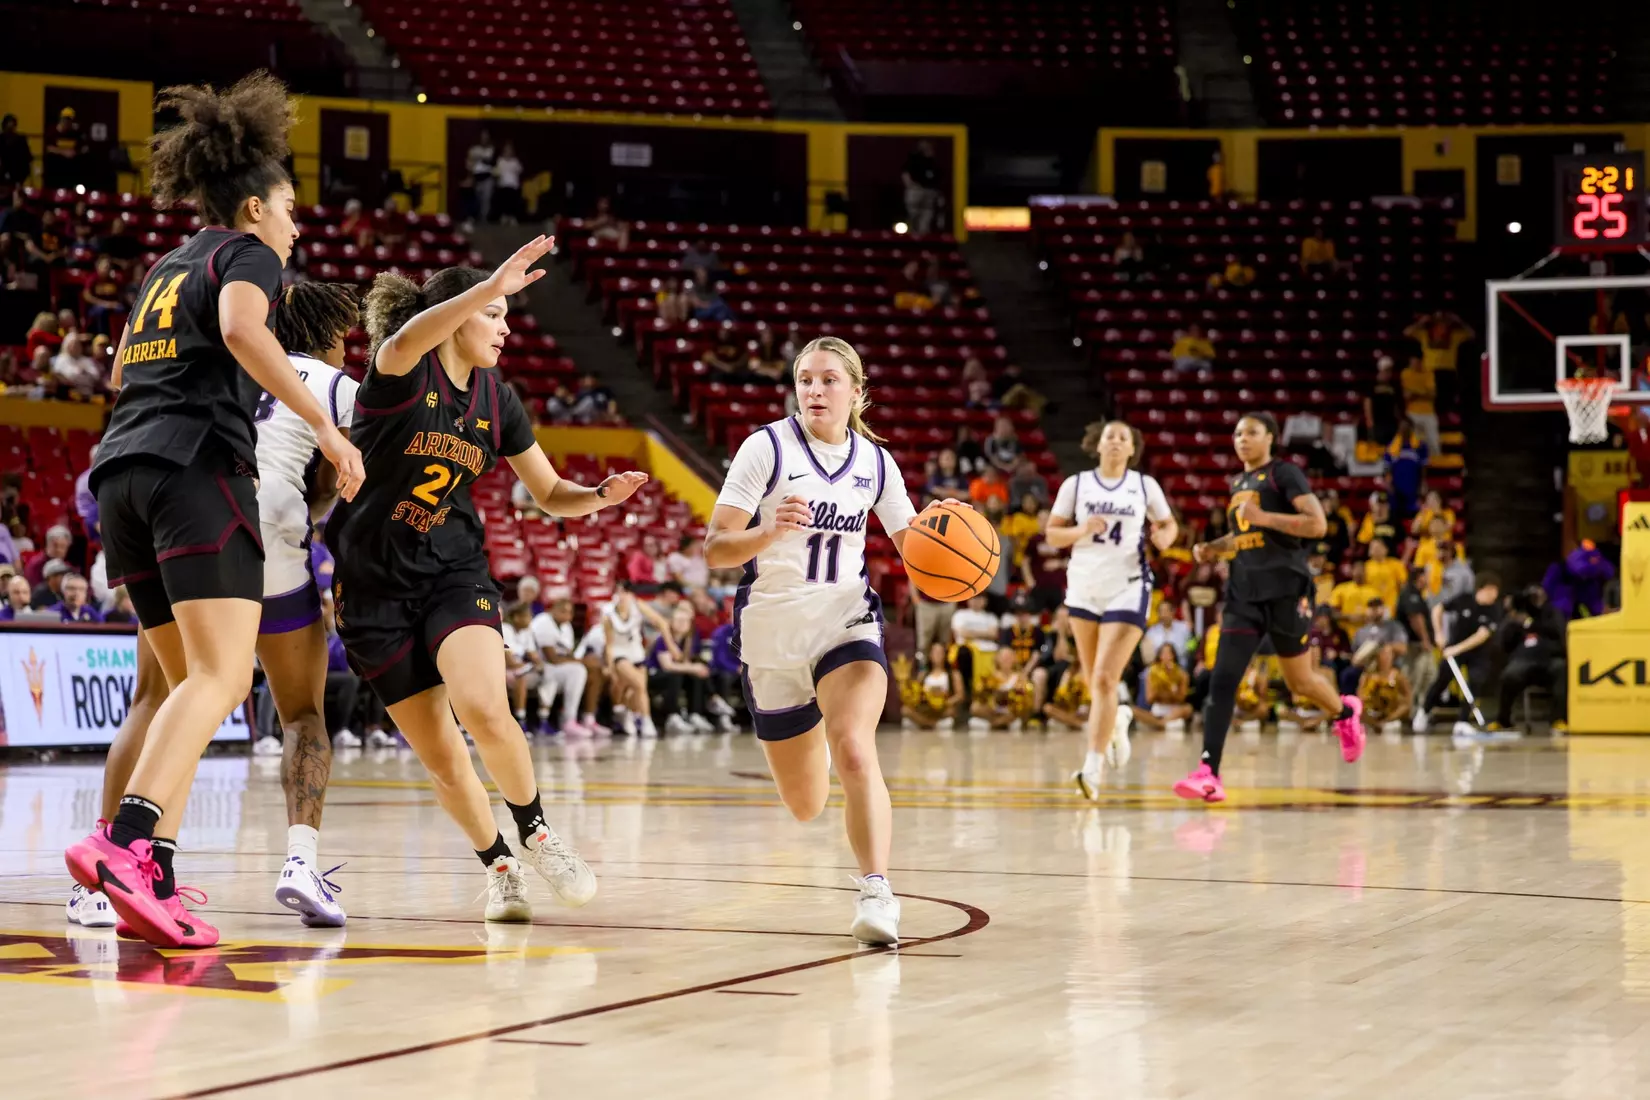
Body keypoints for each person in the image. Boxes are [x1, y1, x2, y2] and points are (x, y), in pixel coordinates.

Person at [64, 72, 366, 951]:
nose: (297, 224)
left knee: (175, 688)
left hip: (120, 473)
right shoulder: (248, 255)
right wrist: (326, 430)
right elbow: (241, 330)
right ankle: (123, 843)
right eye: (290, 208)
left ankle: (148, 865)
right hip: (195, 475)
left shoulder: (165, 265)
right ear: (252, 207)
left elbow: (124, 374)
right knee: (225, 679)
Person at [332, 236, 645, 922]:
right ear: (458, 314)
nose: (505, 327)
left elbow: (550, 490)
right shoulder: (399, 371)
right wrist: (488, 283)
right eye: (495, 313)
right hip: (372, 585)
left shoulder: (498, 399)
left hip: (451, 569)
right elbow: (411, 334)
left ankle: (535, 830)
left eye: (504, 313)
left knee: (482, 705)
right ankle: (499, 867)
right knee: (443, 758)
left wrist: (597, 496)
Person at [703, 334, 952, 945]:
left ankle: (876, 892)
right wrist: (766, 531)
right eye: (806, 379)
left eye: (829, 380)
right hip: (772, 637)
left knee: (855, 746)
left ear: (856, 392)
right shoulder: (764, 448)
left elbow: (912, 547)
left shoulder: (876, 463)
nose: (815, 389)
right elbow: (714, 549)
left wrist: (946, 545)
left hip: (845, 621)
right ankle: (805, 719)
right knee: (806, 803)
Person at [248, 279, 364, 927]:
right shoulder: (332, 383)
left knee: (168, 702)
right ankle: (300, 862)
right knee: (302, 714)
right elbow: (338, 484)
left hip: (202, 526)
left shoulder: (237, 366)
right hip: (275, 538)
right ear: (326, 336)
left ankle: (130, 853)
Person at [1175, 414, 1366, 802]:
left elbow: (1316, 525)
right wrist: (1214, 548)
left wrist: (1266, 518)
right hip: (1243, 594)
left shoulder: (1284, 474)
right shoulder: (1238, 484)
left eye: (1251, 432)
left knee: (1301, 682)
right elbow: (1245, 536)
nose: (1242, 439)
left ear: (1271, 439)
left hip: (1286, 590)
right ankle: (1208, 772)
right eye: (1237, 433)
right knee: (1222, 680)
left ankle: (1345, 714)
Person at [1042, 420, 1177, 800]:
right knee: (1094, 682)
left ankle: (1092, 767)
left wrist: (1164, 536)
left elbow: (1168, 525)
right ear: (1097, 445)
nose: (1116, 442)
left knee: (1103, 678)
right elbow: (1053, 534)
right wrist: (1081, 530)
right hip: (1084, 585)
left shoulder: (1144, 485)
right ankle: (1117, 717)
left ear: (1132, 448)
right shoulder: (1077, 484)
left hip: (1128, 586)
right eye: (1109, 437)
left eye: (1123, 438)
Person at [1413, 573, 1502, 733]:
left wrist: (1456, 649)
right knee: (1442, 680)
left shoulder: (1494, 610)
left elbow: (1481, 636)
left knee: (1475, 681)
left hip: (1477, 653)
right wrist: (1439, 633)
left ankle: (1463, 721)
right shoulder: (1464, 599)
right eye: (1492, 591)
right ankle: (1424, 711)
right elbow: (1437, 610)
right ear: (1483, 589)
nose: (1494, 595)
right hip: (1453, 648)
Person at [600, 580, 677, 736]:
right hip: (618, 651)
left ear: (631, 595)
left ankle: (625, 712)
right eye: (619, 592)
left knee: (631, 689)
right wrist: (610, 667)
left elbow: (661, 622)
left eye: (625, 593)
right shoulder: (608, 614)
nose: (622, 596)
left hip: (636, 651)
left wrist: (671, 645)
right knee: (638, 684)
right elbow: (608, 644)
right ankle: (645, 720)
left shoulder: (638, 605)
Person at [1492, 586, 1566, 733]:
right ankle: (1503, 720)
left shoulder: (1553, 614)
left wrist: (1531, 624)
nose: (1535, 601)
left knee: (1561, 669)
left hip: (1549, 660)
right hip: (1524, 660)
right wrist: (1513, 618)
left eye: (1538, 597)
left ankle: (1559, 719)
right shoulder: (1516, 616)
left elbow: (1559, 636)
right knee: (1509, 674)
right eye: (1531, 598)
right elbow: (1504, 643)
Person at [651, 602, 715, 734]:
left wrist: (696, 669)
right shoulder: (663, 639)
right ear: (671, 622)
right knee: (676, 674)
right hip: (654, 674)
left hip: (672, 676)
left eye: (685, 621)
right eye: (679, 621)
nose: (682, 624)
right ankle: (672, 716)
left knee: (695, 676)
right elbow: (667, 666)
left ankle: (695, 714)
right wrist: (693, 667)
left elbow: (685, 663)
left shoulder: (687, 641)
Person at [531, 598, 592, 735]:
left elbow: (568, 653)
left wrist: (577, 661)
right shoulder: (543, 622)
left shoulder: (566, 626)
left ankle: (571, 719)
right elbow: (551, 658)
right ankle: (566, 720)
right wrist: (577, 661)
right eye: (563, 611)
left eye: (570, 612)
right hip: (539, 665)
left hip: (555, 667)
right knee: (578, 670)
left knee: (579, 670)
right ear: (553, 609)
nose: (567, 615)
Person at [1134, 643, 1193, 732]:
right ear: (1159, 656)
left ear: (1173, 656)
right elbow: (1149, 698)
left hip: (1174, 710)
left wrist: (1170, 685)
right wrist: (1162, 687)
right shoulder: (1152, 673)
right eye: (1163, 653)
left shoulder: (1181, 674)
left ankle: (1160, 723)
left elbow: (1181, 698)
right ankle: (1162, 723)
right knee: (1134, 711)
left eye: (1169, 654)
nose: (1166, 657)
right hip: (1157, 708)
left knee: (1188, 709)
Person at [1358, 643, 1412, 731]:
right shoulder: (1367, 676)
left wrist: (1390, 718)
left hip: (1391, 719)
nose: (1386, 657)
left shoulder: (1398, 676)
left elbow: (1407, 702)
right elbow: (1360, 697)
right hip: (1370, 718)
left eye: (1389, 654)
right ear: (1378, 656)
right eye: (1383, 654)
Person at [901, 141, 942, 235]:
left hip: (930, 191)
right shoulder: (915, 159)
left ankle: (923, 236)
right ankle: (911, 234)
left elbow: (937, 178)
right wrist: (911, 186)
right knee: (913, 214)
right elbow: (905, 173)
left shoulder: (934, 162)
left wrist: (937, 193)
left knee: (927, 215)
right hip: (916, 190)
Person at [1363, 538, 1407, 612]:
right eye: (1373, 547)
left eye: (1378, 547)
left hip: (1391, 605)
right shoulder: (1365, 566)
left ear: (1386, 549)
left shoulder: (1396, 564)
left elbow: (1403, 585)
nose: (1376, 550)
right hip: (1372, 605)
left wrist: (1402, 603)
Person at [464, 129, 496, 226]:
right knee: (477, 199)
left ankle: (484, 219)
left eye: (486, 137)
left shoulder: (491, 149)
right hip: (476, 178)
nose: (484, 139)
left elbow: (489, 159)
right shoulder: (474, 149)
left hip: (487, 177)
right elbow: (469, 161)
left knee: (486, 200)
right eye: (482, 137)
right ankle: (475, 218)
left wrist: (479, 157)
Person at [492, 141, 522, 225]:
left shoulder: (515, 161)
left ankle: (512, 217)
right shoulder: (500, 160)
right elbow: (496, 171)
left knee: (512, 202)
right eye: (506, 150)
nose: (508, 152)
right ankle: (504, 217)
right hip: (503, 185)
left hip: (513, 186)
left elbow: (519, 171)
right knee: (503, 202)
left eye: (509, 150)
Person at [0, 114, 31, 186]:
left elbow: (27, 157)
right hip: (5, 170)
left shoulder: (20, 139)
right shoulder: (1, 139)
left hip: (17, 170)